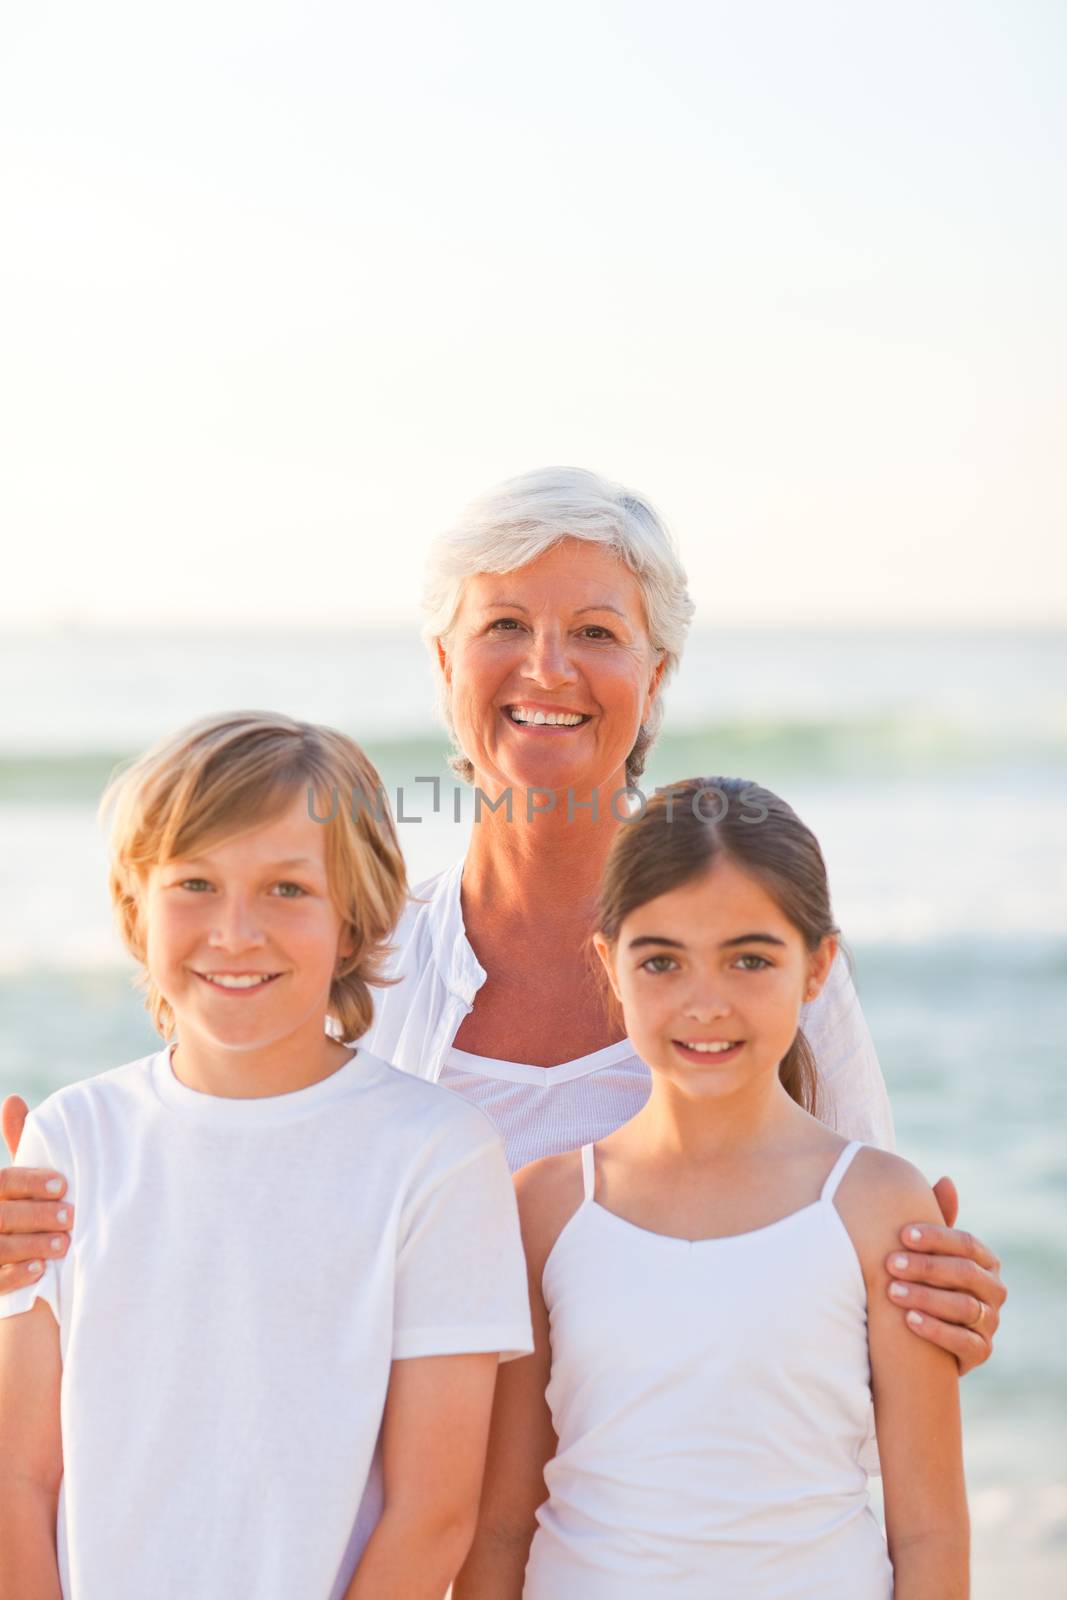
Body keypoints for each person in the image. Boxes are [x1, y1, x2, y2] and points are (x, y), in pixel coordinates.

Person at [0, 468, 1006, 1364]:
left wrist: (938, 1307)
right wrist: (42, 1237)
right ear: (444, 667)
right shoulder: (338, 957)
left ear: (654, 678)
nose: (547, 669)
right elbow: (206, 1232)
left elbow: (879, 1280)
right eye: (504, 626)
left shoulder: (757, 973)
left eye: (597, 633)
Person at [0, 712, 532, 1600]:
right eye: (196, 884)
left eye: (287, 890)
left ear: (356, 924)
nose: (235, 931)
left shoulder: (434, 1158)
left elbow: (432, 1512)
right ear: (137, 908)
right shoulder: (74, 1140)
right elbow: (19, 1477)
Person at [455, 778, 969, 1599]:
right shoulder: (544, 1209)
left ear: (816, 968)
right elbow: (503, 1523)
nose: (705, 1002)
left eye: (749, 959)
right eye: (661, 960)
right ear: (608, 964)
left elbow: (929, 1532)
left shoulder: (876, 1208)